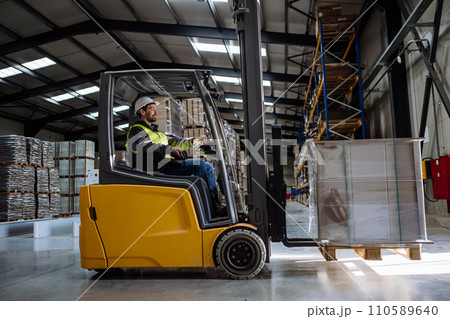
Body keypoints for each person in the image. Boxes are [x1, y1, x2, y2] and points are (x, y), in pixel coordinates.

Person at [126, 96, 224, 212]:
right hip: (157, 169)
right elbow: (144, 146)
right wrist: (169, 149)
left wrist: (194, 141)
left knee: (207, 167)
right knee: (200, 165)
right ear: (142, 111)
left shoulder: (157, 133)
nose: (156, 111)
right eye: (152, 108)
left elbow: (175, 142)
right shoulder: (136, 130)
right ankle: (207, 208)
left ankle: (216, 203)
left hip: (168, 165)